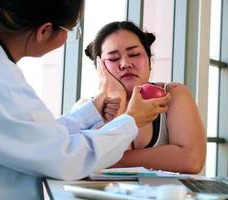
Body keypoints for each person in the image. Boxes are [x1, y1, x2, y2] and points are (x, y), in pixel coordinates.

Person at [0, 1, 172, 200]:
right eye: (71, 30)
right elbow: (64, 159)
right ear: (44, 31)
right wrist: (130, 121)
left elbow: (38, 136)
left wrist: (92, 111)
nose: (125, 64)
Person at [84, 21, 206, 174]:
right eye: (114, 59)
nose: (125, 64)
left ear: (149, 60)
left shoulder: (173, 94)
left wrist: (106, 160)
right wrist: (118, 100)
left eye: (134, 54)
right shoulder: (87, 109)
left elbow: (191, 160)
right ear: (100, 69)